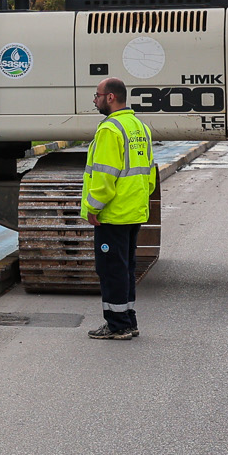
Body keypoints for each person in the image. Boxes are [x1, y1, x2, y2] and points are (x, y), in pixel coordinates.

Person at [82, 77, 155, 340]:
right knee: (125, 268)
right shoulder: (139, 127)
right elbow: (148, 173)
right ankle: (128, 320)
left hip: (112, 215)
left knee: (111, 269)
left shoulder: (109, 130)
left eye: (97, 95)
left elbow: (104, 177)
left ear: (110, 97)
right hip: (133, 211)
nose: (95, 99)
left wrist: (93, 207)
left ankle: (118, 325)